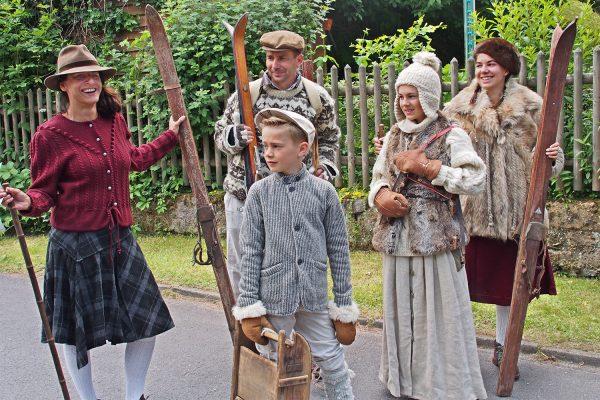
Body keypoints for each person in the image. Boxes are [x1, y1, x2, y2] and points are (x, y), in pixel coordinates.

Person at [0, 44, 185, 400]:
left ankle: (135, 396)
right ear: (63, 86)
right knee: (74, 332)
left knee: (147, 321)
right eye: (79, 76)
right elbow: (43, 193)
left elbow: (132, 159)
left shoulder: (113, 121)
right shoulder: (50, 135)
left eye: (94, 75)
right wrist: (27, 202)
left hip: (120, 239)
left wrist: (169, 137)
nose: (90, 81)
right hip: (75, 246)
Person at [369, 51, 488, 400]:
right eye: (401, 96)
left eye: (413, 95)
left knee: (437, 314)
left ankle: (441, 384)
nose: (406, 103)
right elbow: (378, 176)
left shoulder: (450, 133)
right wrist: (380, 196)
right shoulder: (393, 135)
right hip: (398, 238)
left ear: (429, 96)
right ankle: (403, 382)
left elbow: (476, 179)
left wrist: (433, 170)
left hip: (437, 238)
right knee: (401, 311)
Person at [444, 38, 564, 379]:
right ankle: (460, 348)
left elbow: (550, 162)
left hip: (515, 213)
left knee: (508, 287)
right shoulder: (459, 107)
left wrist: (554, 159)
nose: (483, 70)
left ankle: (502, 347)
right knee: (458, 284)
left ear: (506, 68)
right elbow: (438, 147)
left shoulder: (531, 105)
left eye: (490, 64)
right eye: (479, 64)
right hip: (470, 211)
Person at [232, 108, 358, 399]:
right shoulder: (259, 193)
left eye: (277, 146)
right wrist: (249, 304)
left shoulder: (324, 193)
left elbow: (339, 252)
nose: (268, 153)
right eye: (265, 146)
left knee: (331, 358)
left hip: (312, 296)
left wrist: (344, 306)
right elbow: (250, 251)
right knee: (278, 364)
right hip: (274, 298)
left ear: (302, 149)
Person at [214, 30, 340, 299]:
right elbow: (219, 135)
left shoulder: (316, 97)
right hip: (244, 195)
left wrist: (326, 166)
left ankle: (286, 329)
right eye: (270, 58)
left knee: (289, 266)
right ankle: (247, 329)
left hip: (295, 201)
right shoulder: (248, 94)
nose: (274, 65)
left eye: (282, 58)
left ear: (299, 60)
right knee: (242, 266)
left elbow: (329, 138)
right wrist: (234, 136)